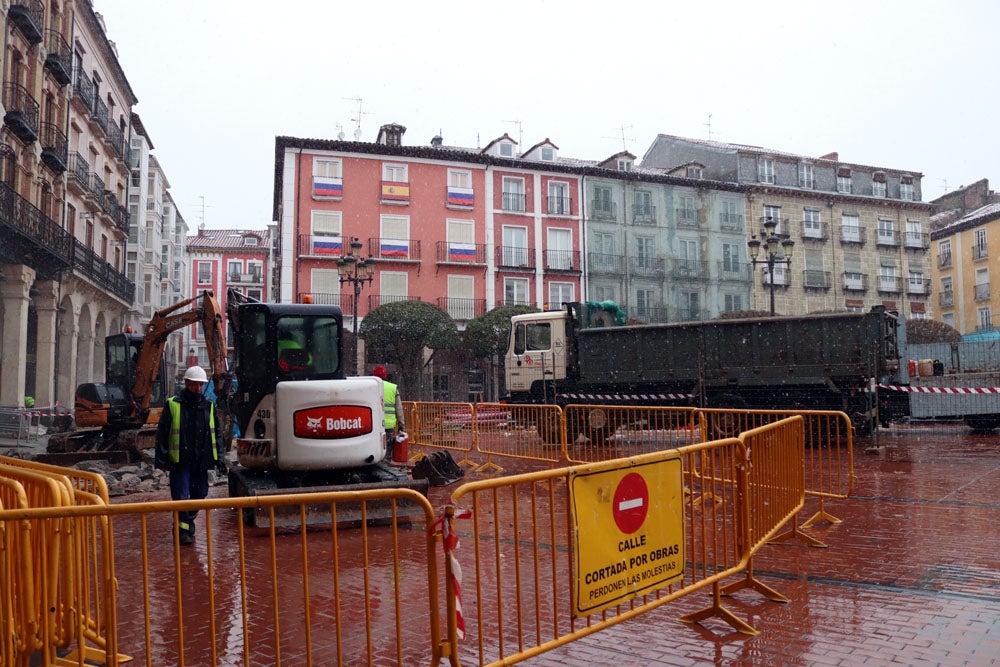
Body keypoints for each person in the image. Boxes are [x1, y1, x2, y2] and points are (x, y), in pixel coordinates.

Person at [155, 365, 225, 546]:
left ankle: (188, 520)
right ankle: (181, 532)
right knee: (181, 497)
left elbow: (216, 432)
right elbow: (162, 433)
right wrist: (161, 459)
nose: (198, 388)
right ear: (186, 383)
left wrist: (220, 458)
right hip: (180, 460)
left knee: (200, 494)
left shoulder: (208, 405)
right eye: (194, 385)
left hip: (201, 460)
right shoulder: (173, 404)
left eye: (201, 385)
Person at [373, 365, 405, 456]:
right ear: (385, 376)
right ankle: (386, 465)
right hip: (388, 426)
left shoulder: (370, 387)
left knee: (376, 450)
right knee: (387, 450)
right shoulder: (392, 388)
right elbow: (399, 410)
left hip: (375, 425)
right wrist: (401, 426)